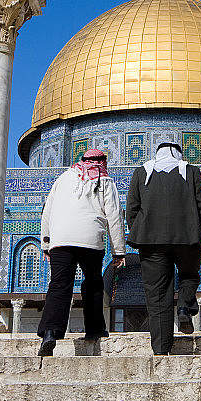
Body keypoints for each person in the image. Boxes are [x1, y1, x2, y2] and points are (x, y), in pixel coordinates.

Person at [37, 149, 125, 356]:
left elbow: (47, 211)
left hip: (60, 240)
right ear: (102, 163)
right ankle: (94, 329)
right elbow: (114, 217)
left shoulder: (63, 178)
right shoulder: (105, 181)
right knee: (93, 283)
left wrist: (45, 243)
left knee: (59, 285)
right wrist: (118, 252)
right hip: (90, 239)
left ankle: (50, 332)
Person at [126, 142, 201, 355]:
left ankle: (161, 349)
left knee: (157, 292)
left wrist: (139, 231)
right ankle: (183, 307)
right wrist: (198, 232)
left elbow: (132, 209)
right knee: (189, 275)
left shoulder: (141, 173)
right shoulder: (191, 171)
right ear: (179, 155)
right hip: (187, 237)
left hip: (150, 240)